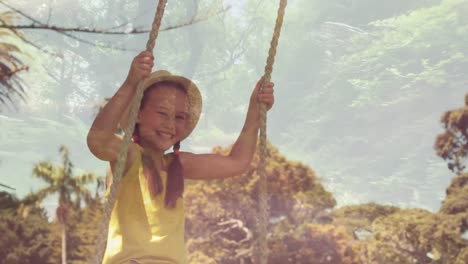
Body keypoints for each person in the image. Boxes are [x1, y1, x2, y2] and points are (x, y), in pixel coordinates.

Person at [87, 51, 275, 264]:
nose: (169, 124)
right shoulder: (130, 156)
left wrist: (254, 110)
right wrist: (131, 83)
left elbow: (237, 162)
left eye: (179, 117)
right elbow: (98, 140)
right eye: (162, 113)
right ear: (137, 114)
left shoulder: (178, 163)